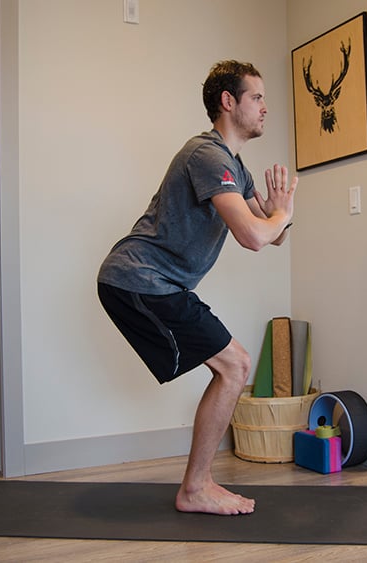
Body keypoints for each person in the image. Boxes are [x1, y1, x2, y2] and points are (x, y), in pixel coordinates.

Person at [97, 60, 296, 515]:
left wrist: (282, 211)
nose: (266, 107)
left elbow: (271, 233)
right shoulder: (206, 155)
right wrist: (275, 219)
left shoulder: (234, 167)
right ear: (229, 102)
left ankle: (197, 485)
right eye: (257, 97)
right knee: (235, 366)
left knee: (232, 367)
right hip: (138, 278)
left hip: (156, 283)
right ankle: (195, 488)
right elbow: (252, 235)